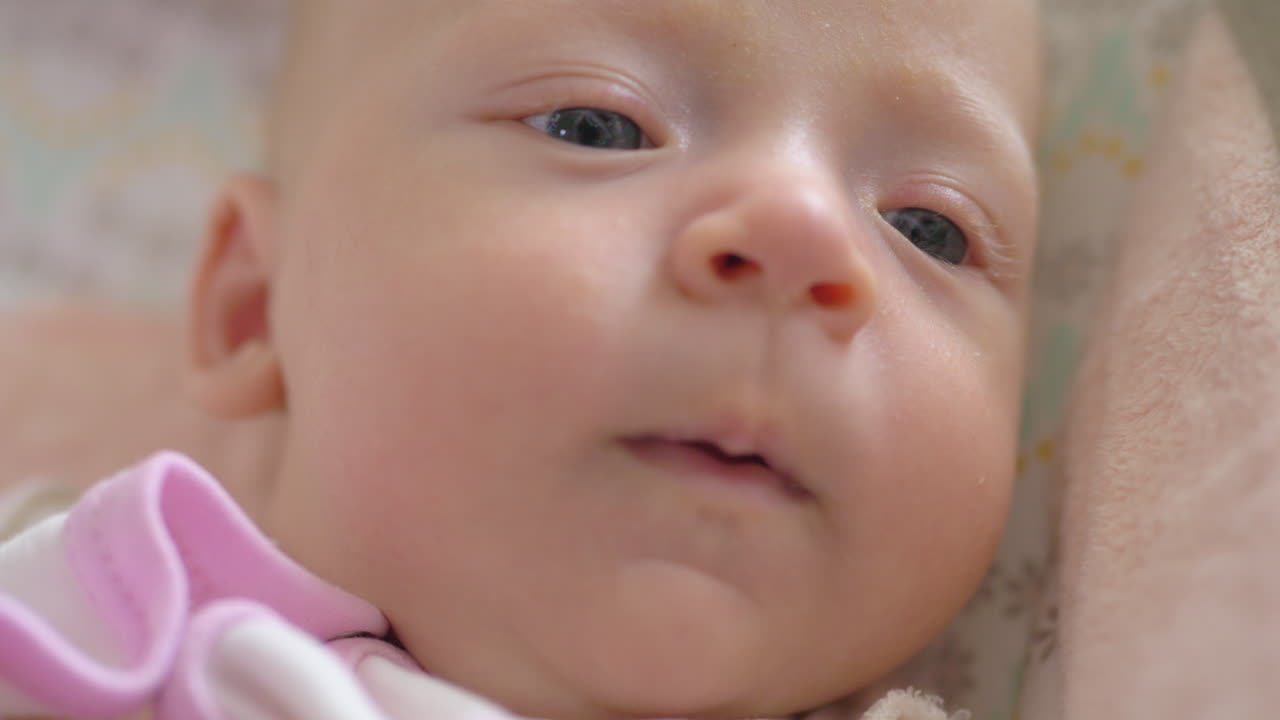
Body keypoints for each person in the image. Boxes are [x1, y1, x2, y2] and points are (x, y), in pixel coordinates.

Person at [0, 1, 1042, 718]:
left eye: (930, 229)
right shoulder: (72, 623)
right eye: (599, 125)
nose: (805, 232)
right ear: (252, 310)